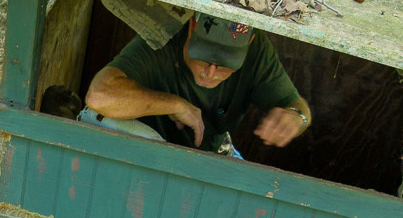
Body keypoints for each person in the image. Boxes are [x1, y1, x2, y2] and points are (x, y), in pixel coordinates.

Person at [82, 14, 311, 153]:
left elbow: (297, 107)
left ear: (249, 42)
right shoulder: (165, 35)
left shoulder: (257, 49)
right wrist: (175, 105)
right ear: (191, 27)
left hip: (211, 152)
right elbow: (99, 95)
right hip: (143, 149)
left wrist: (295, 118)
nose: (211, 73)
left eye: (225, 65)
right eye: (204, 58)